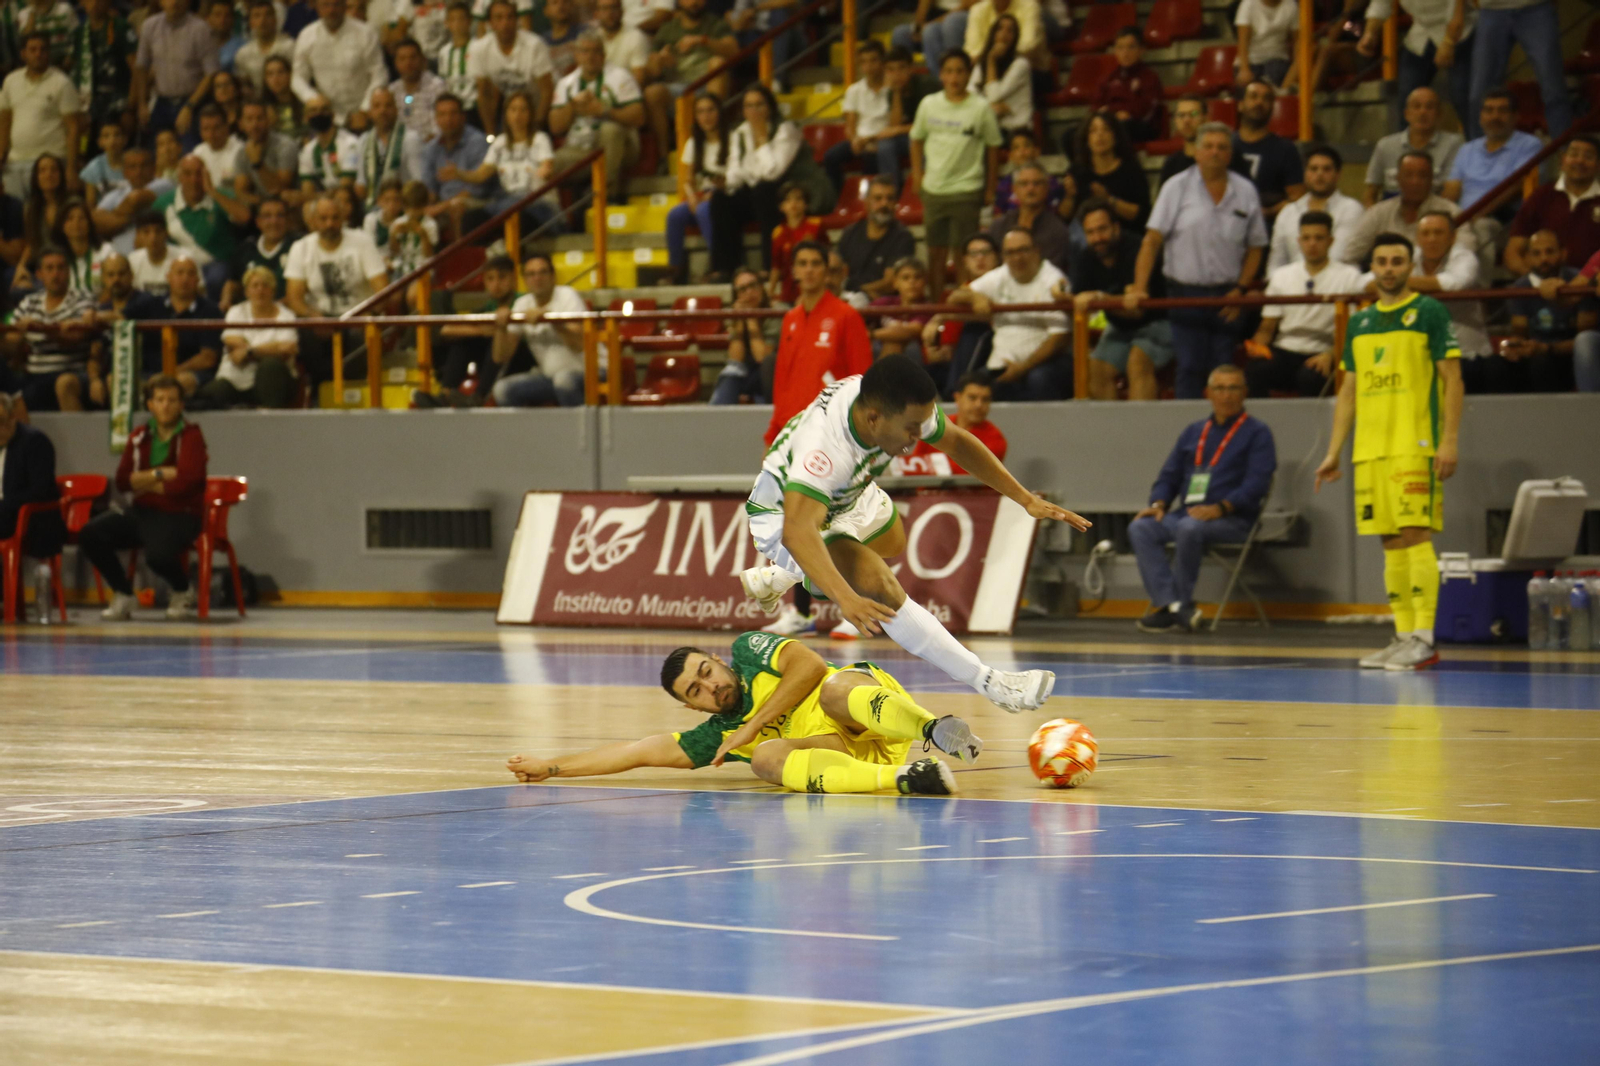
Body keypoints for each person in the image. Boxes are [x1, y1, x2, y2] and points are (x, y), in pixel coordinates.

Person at [739, 353, 1089, 711]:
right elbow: (799, 531)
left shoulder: (894, 404)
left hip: (846, 495)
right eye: (911, 428)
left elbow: (957, 442)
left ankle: (783, 575)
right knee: (881, 586)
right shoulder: (825, 448)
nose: (918, 436)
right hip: (784, 517)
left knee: (893, 540)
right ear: (873, 419)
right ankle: (991, 682)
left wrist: (1024, 498)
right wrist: (846, 598)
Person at [505, 633, 974, 796]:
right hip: (852, 758)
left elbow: (809, 665)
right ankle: (911, 779)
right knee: (765, 759)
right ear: (692, 706)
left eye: (707, 671)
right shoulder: (715, 735)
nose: (711, 686)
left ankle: (932, 727)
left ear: (717, 659)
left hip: (867, 710)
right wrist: (552, 767)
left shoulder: (749, 652)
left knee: (832, 687)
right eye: (697, 690)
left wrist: (748, 727)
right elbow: (637, 752)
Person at [1314, 232, 1463, 671]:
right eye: (1382, 261)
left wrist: (1449, 440)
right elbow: (1349, 394)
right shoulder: (1359, 322)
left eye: (1398, 261)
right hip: (1370, 450)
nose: (1390, 268)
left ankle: (1424, 637)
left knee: (1416, 535)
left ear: (1410, 265)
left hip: (1414, 444)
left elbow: (1453, 379)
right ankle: (1403, 634)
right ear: (1372, 268)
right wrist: (1333, 451)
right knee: (1391, 542)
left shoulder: (1429, 312)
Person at [1129, 363, 1276, 633]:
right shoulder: (1194, 431)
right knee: (1141, 527)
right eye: (1220, 388)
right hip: (1188, 514)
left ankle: (1178, 604)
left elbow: (1257, 484)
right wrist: (1158, 504)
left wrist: (1221, 507)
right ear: (1208, 393)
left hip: (1233, 520)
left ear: (1244, 393)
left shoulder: (1257, 433)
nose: (1226, 395)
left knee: (1189, 527)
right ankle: (1174, 606)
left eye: (1233, 388)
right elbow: (1169, 475)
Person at [1130, 121, 1267, 400]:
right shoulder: (1175, 187)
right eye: (1209, 146)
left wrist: (1241, 289)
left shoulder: (1246, 191)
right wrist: (1139, 287)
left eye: (1222, 147)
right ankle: (1190, 433)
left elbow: (1256, 246)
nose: (1215, 152)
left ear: (1230, 154)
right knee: (1190, 366)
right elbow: (1152, 240)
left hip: (1228, 296)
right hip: (1184, 294)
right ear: (1196, 151)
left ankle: (1225, 434)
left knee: (1224, 368)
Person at [80, 375, 209, 621]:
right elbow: (123, 480)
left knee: (157, 556)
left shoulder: (192, 436)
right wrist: (162, 474)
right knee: (91, 533)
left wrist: (147, 482)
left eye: (172, 400)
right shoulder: (139, 436)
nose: (166, 405)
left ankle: (182, 589)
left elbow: (187, 483)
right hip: (142, 511)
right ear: (150, 405)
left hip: (181, 514)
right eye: (159, 400)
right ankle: (123, 592)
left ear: (182, 405)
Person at [910, 49, 1002, 298]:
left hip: (967, 189)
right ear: (941, 75)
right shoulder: (929, 104)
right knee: (935, 254)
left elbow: (993, 147)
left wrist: (990, 187)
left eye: (960, 71)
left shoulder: (981, 108)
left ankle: (962, 308)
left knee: (964, 256)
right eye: (949, 71)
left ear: (969, 74)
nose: (954, 77)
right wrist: (918, 176)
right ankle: (937, 308)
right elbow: (916, 139)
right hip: (934, 189)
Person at [763, 241, 873, 445]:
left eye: (815, 264)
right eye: (803, 264)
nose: (809, 270)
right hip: (792, 433)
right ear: (794, 271)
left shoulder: (846, 316)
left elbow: (862, 380)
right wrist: (773, 436)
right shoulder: (790, 319)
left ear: (826, 271)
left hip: (833, 433)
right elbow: (782, 382)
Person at [946, 227, 1072, 401]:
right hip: (1000, 364)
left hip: (1043, 364)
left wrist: (1023, 367)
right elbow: (954, 298)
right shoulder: (1000, 275)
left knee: (1039, 379)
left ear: (1037, 251)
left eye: (1023, 250)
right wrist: (975, 296)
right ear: (1003, 257)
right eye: (1010, 252)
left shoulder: (1053, 280)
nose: (1017, 258)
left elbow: (1060, 337)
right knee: (973, 387)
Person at [1248, 211, 1363, 397]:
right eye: (1307, 238)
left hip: (1323, 350)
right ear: (1299, 241)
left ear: (1331, 241)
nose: (1312, 244)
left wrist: (1331, 354)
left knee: (1311, 376)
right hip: (1285, 349)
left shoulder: (1348, 276)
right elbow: (1267, 328)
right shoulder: (1281, 276)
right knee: (1256, 370)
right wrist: (1257, 347)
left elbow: (1352, 329)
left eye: (1319, 238)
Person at [1073, 197, 1173, 402]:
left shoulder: (1136, 249)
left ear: (1116, 227)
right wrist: (1063, 296)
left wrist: (1101, 298)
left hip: (1159, 322)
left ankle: (1141, 433)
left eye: (1102, 229)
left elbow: (1135, 309)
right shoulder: (1086, 257)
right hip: (1118, 327)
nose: (1097, 238)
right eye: (1090, 232)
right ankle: (1111, 433)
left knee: (1137, 362)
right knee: (1096, 369)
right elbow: (1080, 299)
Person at [284, 195, 389, 385]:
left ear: (343, 219)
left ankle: (358, 390)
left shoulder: (362, 242)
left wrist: (363, 315)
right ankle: (320, 391)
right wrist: (312, 315)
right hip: (320, 316)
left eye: (335, 218)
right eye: (323, 219)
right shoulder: (301, 248)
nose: (330, 223)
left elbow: (382, 290)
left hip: (359, 314)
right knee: (305, 333)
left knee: (361, 335)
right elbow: (293, 298)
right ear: (313, 221)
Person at [710, 83, 808, 280]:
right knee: (720, 199)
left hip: (782, 191)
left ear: (769, 107)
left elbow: (773, 172)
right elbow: (736, 169)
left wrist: (762, 140)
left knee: (763, 192)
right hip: (754, 191)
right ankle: (728, 268)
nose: (753, 111)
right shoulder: (740, 133)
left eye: (759, 105)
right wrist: (726, 182)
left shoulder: (785, 130)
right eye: (748, 106)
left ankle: (768, 265)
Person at [548, 31, 644, 208]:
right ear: (576, 55)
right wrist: (572, 106)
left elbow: (639, 116)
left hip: (621, 146)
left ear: (603, 55)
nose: (590, 57)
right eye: (585, 51)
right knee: (547, 165)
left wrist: (605, 111)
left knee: (610, 130)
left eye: (595, 52)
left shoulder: (620, 76)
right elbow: (555, 127)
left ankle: (607, 197)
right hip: (581, 147)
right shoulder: (566, 83)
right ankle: (554, 217)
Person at [1496, 229, 1594, 394]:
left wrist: (1546, 348)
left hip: (1570, 357)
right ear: (1527, 258)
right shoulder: (1520, 288)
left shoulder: (1579, 282)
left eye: (1549, 252)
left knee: (1542, 363)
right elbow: (1519, 332)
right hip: (1535, 351)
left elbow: (1585, 339)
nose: (1544, 259)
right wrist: (1515, 347)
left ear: (1563, 253)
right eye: (1536, 253)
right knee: (1496, 366)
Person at [1359, 0, 1476, 137]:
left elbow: (1456, 8)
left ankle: (1475, 146)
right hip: (1421, 32)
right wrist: (1370, 33)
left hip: (1462, 30)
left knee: (1461, 96)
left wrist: (1449, 42)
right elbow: (1380, 4)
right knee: (1407, 97)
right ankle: (1406, 151)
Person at [1401, 211, 1491, 388]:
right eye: (1426, 233)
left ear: (1453, 236)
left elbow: (1456, 282)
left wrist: (1401, 282)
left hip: (1467, 356)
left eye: (1438, 232)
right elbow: (1368, 280)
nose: (1432, 239)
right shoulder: (1409, 257)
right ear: (1417, 238)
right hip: (1423, 358)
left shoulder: (1465, 257)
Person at [5, 246, 100, 411]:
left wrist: (39, 328)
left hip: (71, 372)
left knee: (64, 383)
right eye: (50, 268)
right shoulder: (29, 302)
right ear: (39, 274)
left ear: (68, 272)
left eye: (61, 268)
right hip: (33, 376)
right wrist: (19, 335)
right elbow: (9, 345)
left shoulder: (82, 300)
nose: (56, 274)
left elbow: (75, 338)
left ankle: (75, 436)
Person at [1341, 150, 1474, 267]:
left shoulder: (1451, 212)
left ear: (1431, 179)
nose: (1415, 181)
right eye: (1409, 175)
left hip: (1436, 286)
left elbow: (1466, 251)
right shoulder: (1378, 212)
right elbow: (1350, 255)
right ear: (1398, 179)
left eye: (1422, 176)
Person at [491, 251, 588, 407]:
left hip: (588, 371)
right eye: (531, 274)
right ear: (524, 280)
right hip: (549, 377)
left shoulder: (568, 296)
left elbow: (580, 345)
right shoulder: (522, 304)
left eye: (543, 272)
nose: (537, 278)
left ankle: (579, 431)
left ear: (553, 276)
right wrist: (500, 327)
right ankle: (527, 432)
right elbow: (500, 357)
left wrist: (551, 320)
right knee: (502, 389)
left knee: (564, 380)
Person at [1468, 0, 1570, 140]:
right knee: (1479, 94)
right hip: (1491, 10)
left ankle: (1563, 151)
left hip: (1535, 8)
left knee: (1553, 88)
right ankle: (1479, 154)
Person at [0, 393, 67, 606]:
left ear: (13, 419)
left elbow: (39, 491)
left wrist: (4, 504)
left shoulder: (34, 442)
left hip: (35, 519)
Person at [199, 263, 297, 407]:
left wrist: (249, 351)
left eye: (265, 285)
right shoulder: (236, 312)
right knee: (211, 394)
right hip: (234, 378)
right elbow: (231, 341)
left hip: (271, 382)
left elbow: (288, 348)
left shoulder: (286, 315)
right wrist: (271, 349)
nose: (260, 290)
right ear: (246, 292)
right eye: (255, 286)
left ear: (273, 291)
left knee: (270, 365)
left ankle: (269, 418)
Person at [0, 32, 83, 202]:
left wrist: (71, 168)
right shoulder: (11, 81)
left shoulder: (62, 82)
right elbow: (4, 123)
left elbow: (74, 128)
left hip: (50, 163)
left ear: (49, 53)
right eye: (33, 49)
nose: (38, 53)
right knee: (18, 216)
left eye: (43, 49)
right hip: (15, 162)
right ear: (23, 54)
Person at [1504, 136, 1600, 277]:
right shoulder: (1541, 196)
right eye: (1573, 154)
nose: (1580, 161)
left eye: (1588, 156)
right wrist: (1536, 281)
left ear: (1598, 164)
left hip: (1592, 286)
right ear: (1562, 159)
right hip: (1542, 284)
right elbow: (1513, 253)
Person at [153, 154, 245, 297]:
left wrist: (212, 192)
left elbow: (244, 217)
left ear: (206, 175)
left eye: (199, 174)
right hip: (178, 263)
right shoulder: (164, 203)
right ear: (179, 177)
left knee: (216, 277)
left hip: (216, 262)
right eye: (188, 174)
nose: (194, 180)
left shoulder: (221, 196)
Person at [920, 232, 999, 395]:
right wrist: (936, 350)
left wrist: (939, 317)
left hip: (995, 351)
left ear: (996, 257)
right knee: (920, 371)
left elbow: (988, 315)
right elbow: (945, 345)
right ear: (965, 261)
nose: (980, 258)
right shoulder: (956, 294)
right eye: (973, 254)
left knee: (974, 330)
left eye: (985, 253)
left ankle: (956, 394)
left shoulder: (1004, 283)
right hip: (957, 358)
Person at [291, 0, 389, 128]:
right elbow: (297, 78)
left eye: (336, 4)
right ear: (317, 8)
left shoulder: (365, 33)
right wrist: (312, 98)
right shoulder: (306, 36)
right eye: (326, 5)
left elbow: (379, 75)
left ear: (344, 6)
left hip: (364, 113)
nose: (331, 10)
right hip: (327, 115)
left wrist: (365, 109)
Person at [1268, 145, 1363, 272]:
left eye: (1326, 169)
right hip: (1293, 287)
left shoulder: (1352, 209)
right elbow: (1276, 261)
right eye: (1313, 169)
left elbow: (1340, 255)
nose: (1319, 174)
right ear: (1305, 174)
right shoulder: (1288, 212)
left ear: (1338, 174)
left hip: (1340, 285)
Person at [134, 0, 219, 138]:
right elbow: (142, 65)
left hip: (193, 101)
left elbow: (211, 72)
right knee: (156, 152)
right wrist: (142, 103)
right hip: (161, 101)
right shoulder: (149, 26)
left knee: (188, 152)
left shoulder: (200, 28)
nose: (174, 2)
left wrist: (189, 106)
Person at [469, 0, 555, 135]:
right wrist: (490, 133)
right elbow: (484, 94)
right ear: (490, 23)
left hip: (541, 108)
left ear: (517, 20)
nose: (505, 23)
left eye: (510, 17)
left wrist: (536, 128)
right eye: (499, 18)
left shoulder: (534, 45)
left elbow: (547, 91)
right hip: (511, 109)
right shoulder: (479, 49)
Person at [1364, 87, 1462, 204]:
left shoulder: (1454, 143)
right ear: (1406, 114)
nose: (1422, 112)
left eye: (1429, 107)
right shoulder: (1385, 145)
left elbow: (1451, 192)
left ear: (1439, 114)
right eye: (1416, 106)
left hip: (1434, 211)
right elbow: (1370, 193)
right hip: (1391, 211)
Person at [899, 369, 1007, 475]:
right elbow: (915, 463)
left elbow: (967, 470)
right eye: (972, 398)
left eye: (985, 399)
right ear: (957, 398)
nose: (978, 405)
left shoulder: (995, 438)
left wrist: (918, 465)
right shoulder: (934, 426)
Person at [666, 91, 725, 285]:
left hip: (725, 193)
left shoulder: (731, 138)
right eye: (700, 112)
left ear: (719, 112)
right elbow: (688, 178)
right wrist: (691, 196)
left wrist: (710, 195)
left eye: (710, 110)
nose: (706, 116)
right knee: (675, 215)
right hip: (701, 194)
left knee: (704, 210)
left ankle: (717, 265)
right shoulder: (693, 142)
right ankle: (676, 269)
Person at [642, 0, 736, 117]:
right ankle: (664, 136)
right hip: (676, 87)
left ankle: (716, 130)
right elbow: (651, 71)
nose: (694, 2)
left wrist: (702, 40)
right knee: (652, 93)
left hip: (706, 86)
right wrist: (660, 60)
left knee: (717, 62)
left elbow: (733, 51)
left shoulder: (716, 23)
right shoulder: (668, 29)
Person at [148, 254, 222, 397]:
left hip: (191, 373)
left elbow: (208, 358)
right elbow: (121, 316)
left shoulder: (210, 310)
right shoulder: (152, 305)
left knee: (178, 382)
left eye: (190, 274)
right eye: (179, 273)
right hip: (152, 372)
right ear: (168, 277)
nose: (185, 279)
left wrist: (171, 373)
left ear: (198, 280)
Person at [823, 39, 891, 195]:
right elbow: (850, 124)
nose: (869, 66)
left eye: (873, 60)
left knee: (871, 156)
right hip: (860, 140)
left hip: (883, 139)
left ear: (882, 61)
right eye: (864, 62)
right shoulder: (854, 90)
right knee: (831, 156)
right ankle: (837, 197)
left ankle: (868, 198)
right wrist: (854, 140)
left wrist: (871, 141)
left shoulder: (892, 89)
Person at [419, 93, 491, 237]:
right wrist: (422, 208)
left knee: (457, 207)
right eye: (442, 115)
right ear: (436, 119)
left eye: (453, 114)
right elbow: (430, 189)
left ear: (462, 117)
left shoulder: (477, 142)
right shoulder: (432, 148)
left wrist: (442, 207)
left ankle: (459, 257)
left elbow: (477, 188)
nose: (448, 119)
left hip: (478, 200)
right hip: (444, 202)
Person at [1230, 79, 1303, 220]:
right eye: (1253, 96)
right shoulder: (1225, 146)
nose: (1259, 103)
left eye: (1266, 98)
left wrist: (1267, 213)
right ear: (1240, 105)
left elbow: (1297, 197)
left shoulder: (1285, 149)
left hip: (1269, 227)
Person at [836, 176, 916, 298]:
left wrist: (860, 290)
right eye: (878, 198)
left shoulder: (903, 237)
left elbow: (891, 283)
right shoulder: (850, 233)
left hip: (882, 303)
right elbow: (838, 272)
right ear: (866, 202)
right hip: (847, 298)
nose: (884, 204)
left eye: (890, 199)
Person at [1070, 110, 1150, 232]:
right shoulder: (1078, 171)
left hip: (1127, 235)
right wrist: (1068, 196)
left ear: (1116, 136)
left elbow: (1141, 214)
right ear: (1086, 139)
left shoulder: (1130, 169)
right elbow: (1065, 216)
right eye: (1093, 131)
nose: (1100, 135)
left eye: (1106, 129)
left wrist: (1108, 200)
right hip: (1086, 239)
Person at [709, 266, 779, 405]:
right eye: (742, 289)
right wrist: (740, 320)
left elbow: (762, 358)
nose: (749, 292)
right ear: (737, 296)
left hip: (772, 377)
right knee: (730, 375)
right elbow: (735, 361)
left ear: (761, 287)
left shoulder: (776, 313)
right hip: (745, 374)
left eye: (753, 285)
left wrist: (750, 318)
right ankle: (716, 420)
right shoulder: (735, 314)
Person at [988, 162, 1073, 276]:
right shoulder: (998, 226)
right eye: (1024, 184)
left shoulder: (1058, 231)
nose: (1030, 188)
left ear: (1046, 188)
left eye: (1037, 183)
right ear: (1015, 189)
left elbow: (1050, 274)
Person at [72, 0, 139, 140]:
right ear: (82, 3)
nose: (94, 4)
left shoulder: (121, 26)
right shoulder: (79, 33)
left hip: (119, 102)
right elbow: (76, 70)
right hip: (90, 105)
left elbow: (137, 68)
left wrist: (130, 107)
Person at [1092, 26, 1164, 143]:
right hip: (1110, 123)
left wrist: (1123, 114)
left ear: (1141, 50)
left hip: (1139, 125)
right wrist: (1114, 115)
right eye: (1120, 47)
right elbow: (1096, 107)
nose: (1125, 53)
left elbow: (1148, 109)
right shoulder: (1108, 78)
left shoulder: (1150, 78)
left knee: (1121, 128)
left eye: (1130, 47)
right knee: (1071, 134)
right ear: (1115, 50)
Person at [968, 14, 1031, 136]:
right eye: (1000, 29)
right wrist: (991, 109)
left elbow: (994, 96)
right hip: (990, 127)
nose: (1004, 34)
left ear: (1015, 38)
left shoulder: (1021, 65)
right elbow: (970, 95)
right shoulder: (981, 65)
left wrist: (991, 60)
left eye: (1010, 31)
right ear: (993, 34)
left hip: (1016, 131)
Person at [223, 196, 292, 307]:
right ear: (258, 222)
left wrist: (271, 310)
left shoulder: (298, 246)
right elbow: (233, 282)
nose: (274, 221)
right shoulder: (245, 248)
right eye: (267, 216)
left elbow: (302, 293)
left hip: (287, 315)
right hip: (250, 315)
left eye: (280, 215)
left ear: (288, 220)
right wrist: (226, 300)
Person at [769, 182, 824, 305]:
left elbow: (827, 259)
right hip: (788, 294)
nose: (793, 204)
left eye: (798, 199)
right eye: (788, 200)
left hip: (813, 292)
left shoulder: (816, 226)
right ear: (781, 206)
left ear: (806, 204)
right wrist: (771, 292)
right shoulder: (778, 233)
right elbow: (776, 267)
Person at [868, 257, 930, 360]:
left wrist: (871, 334)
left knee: (895, 343)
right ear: (895, 283)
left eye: (917, 277)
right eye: (905, 278)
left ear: (925, 281)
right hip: (881, 347)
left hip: (915, 355)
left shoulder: (928, 308)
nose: (912, 282)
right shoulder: (886, 302)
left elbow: (910, 331)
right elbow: (858, 317)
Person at [992, 128, 1065, 215]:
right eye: (1016, 148)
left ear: (1036, 151)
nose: (1022, 151)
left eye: (1026, 146)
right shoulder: (1004, 185)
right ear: (1010, 155)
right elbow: (998, 214)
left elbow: (1059, 214)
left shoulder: (1050, 182)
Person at [232, 0, 295, 95]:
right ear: (250, 22)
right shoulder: (243, 54)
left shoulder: (290, 46)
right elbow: (244, 85)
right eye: (257, 16)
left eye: (268, 15)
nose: (263, 20)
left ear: (275, 19)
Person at [391, 38, 448, 141]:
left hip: (432, 147)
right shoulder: (392, 91)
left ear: (422, 60)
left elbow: (443, 124)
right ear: (396, 63)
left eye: (412, 57)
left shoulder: (437, 86)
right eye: (402, 59)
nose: (408, 63)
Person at [1234, 0, 1298, 88]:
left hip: (1278, 59)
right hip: (1251, 61)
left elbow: (1298, 41)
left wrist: (1296, 70)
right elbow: (1243, 41)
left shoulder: (1291, 5)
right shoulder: (1248, 4)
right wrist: (1244, 69)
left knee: (1276, 70)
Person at [189, 104, 245, 196]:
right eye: (206, 129)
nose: (211, 134)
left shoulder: (240, 151)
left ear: (226, 127)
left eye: (216, 128)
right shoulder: (198, 152)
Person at [1157, 95, 1206, 189]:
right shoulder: (1171, 164)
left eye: (1194, 114)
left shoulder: (1220, 157)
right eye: (1181, 115)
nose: (1186, 120)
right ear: (1175, 120)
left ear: (1205, 117)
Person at [78, 122, 128, 206]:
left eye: (117, 135)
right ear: (100, 142)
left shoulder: (135, 163)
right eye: (106, 136)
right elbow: (91, 205)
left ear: (125, 139)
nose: (112, 140)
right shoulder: (93, 167)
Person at [127, 212, 175, 296]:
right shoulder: (132, 260)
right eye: (146, 232)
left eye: (158, 231)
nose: (153, 238)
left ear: (166, 233)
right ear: (138, 234)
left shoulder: (184, 259)